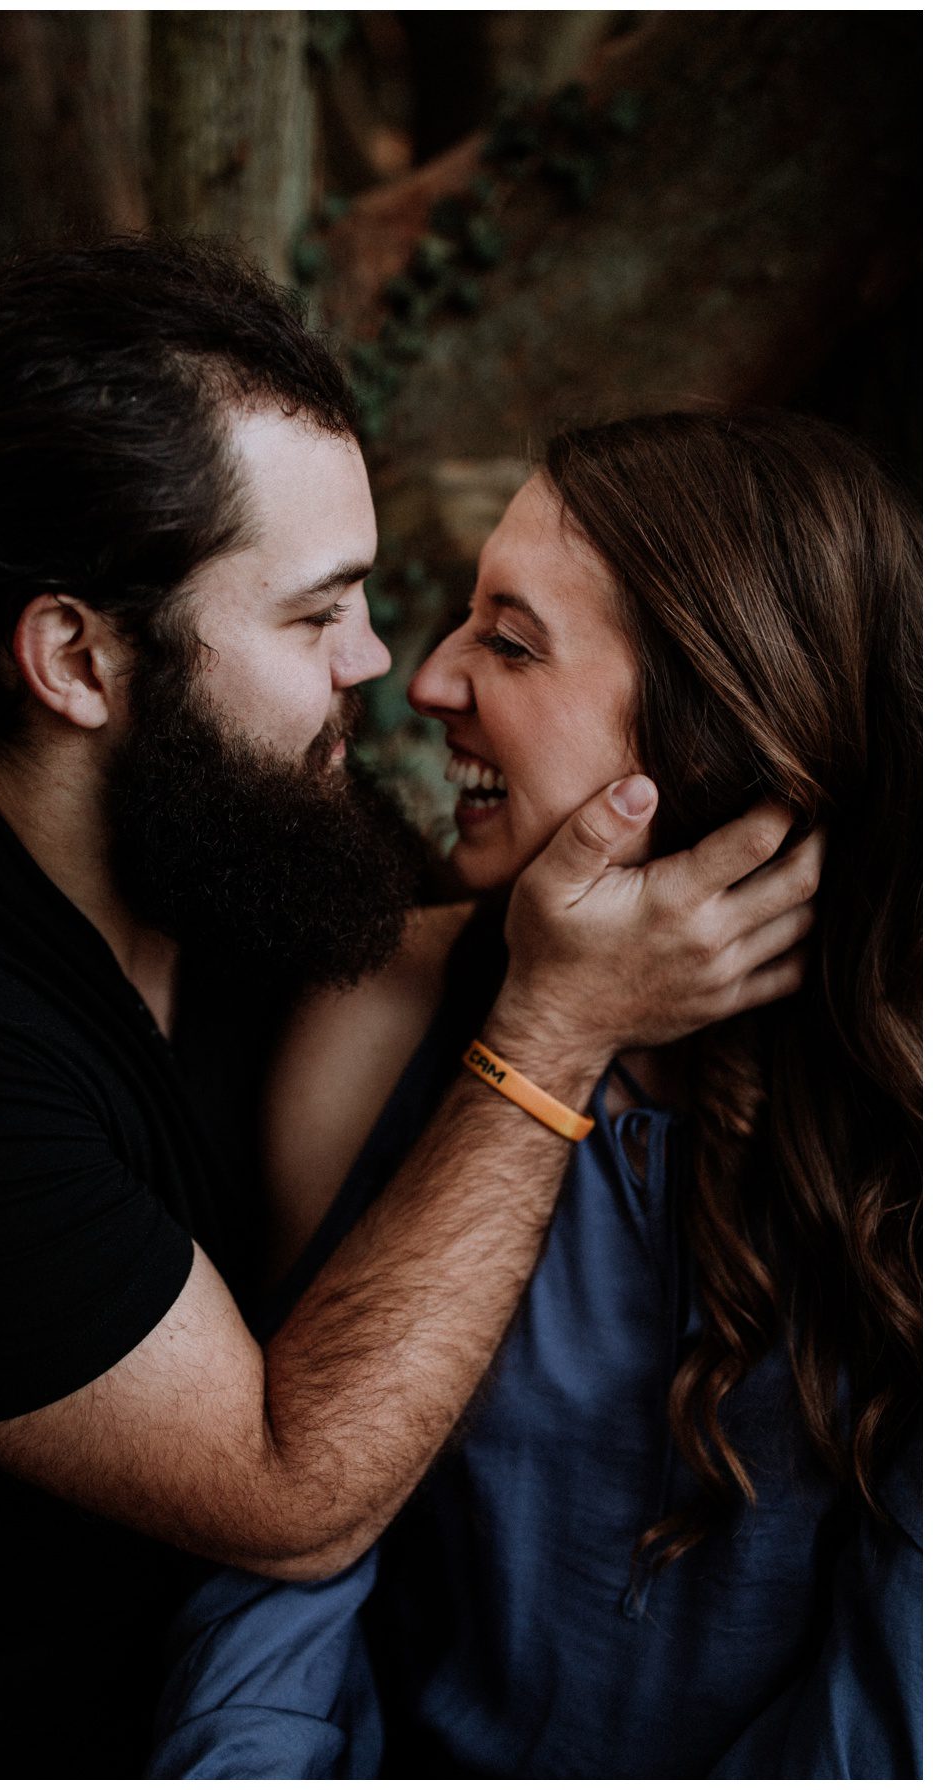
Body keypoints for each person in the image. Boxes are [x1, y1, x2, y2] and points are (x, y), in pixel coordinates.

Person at [0, 241, 819, 1779]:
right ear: (75, 658)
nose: (381, 666)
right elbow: (291, 1490)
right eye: (317, 616)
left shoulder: (251, 843)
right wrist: (560, 1027)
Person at [147, 410, 921, 1780]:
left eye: (510, 641)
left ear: (720, 721)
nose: (428, 680)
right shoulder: (382, 1010)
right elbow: (288, 1572)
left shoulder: (896, 1110)